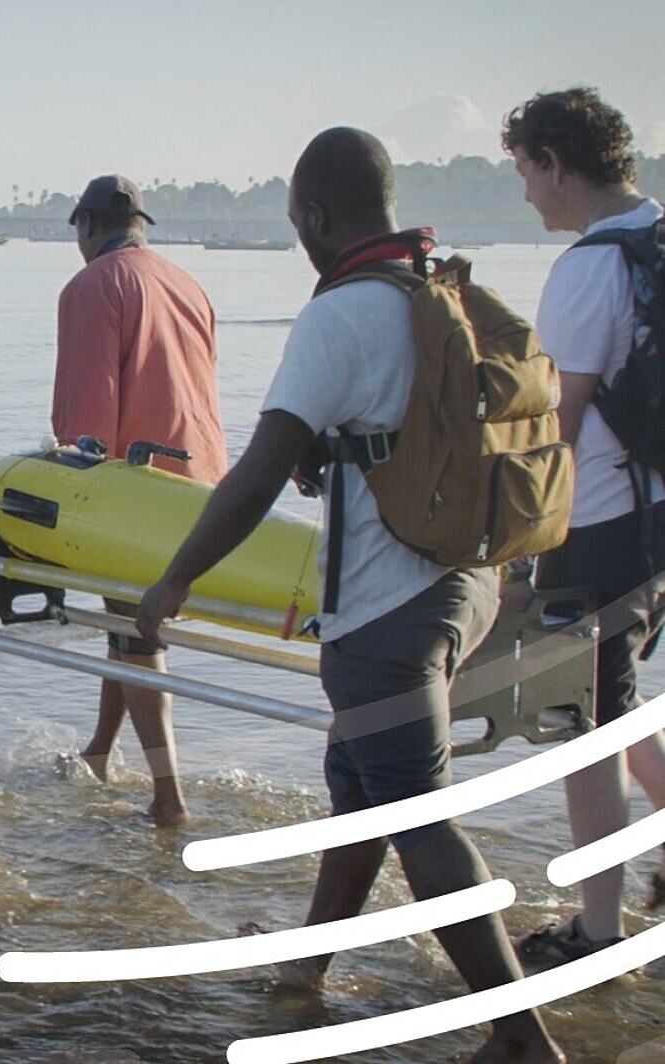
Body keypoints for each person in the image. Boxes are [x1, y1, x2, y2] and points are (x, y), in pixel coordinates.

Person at [136, 128, 563, 1062]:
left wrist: (173, 582)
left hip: (386, 616)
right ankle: (307, 970)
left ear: (316, 217)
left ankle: (523, 1035)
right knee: (362, 789)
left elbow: (252, 476)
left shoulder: (338, 315)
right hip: (467, 583)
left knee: (416, 817)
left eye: (298, 224)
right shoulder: (430, 289)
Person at [504, 88, 665, 961]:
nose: (528, 194)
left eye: (528, 172)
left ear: (557, 164)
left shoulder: (587, 270)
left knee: (585, 730)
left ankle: (597, 931)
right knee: (624, 701)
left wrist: (516, 554)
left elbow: (553, 431)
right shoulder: (658, 237)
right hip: (657, 516)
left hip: (595, 525)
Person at [52, 174, 228, 826]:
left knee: (138, 635)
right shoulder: (188, 284)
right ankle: (100, 753)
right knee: (125, 627)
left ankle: (168, 796)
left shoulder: (92, 287)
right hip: (201, 485)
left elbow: (85, 424)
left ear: (87, 225)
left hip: (135, 490)